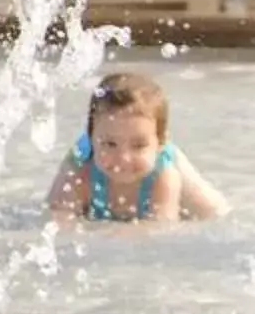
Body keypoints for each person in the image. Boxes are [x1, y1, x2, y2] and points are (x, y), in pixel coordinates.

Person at [45, 71, 227, 224]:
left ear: (160, 145)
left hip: (163, 158)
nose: (123, 157)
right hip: (91, 151)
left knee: (214, 212)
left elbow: (160, 229)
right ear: (91, 139)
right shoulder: (80, 170)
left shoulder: (164, 177)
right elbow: (58, 221)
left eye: (138, 145)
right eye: (110, 144)